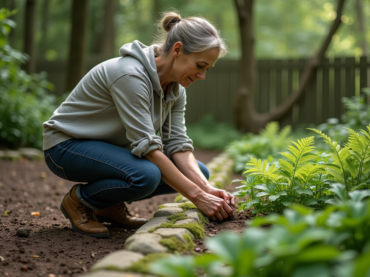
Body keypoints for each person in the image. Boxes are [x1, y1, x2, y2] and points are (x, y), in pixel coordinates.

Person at [42, 12, 237, 238]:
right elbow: (149, 150)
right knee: (147, 175)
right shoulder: (130, 75)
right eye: (200, 65)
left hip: (107, 151)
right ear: (177, 50)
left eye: (207, 69)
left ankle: (106, 204)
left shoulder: (176, 89)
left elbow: (178, 144)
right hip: (66, 146)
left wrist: (207, 188)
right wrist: (198, 197)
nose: (202, 75)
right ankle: (79, 201)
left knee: (200, 172)